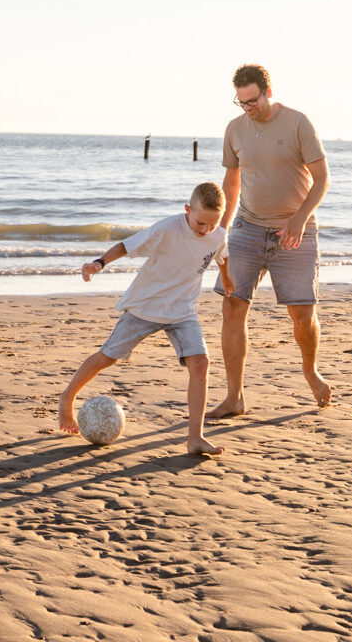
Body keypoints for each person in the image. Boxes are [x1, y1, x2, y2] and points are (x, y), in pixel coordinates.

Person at [58, 182, 230, 457]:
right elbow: (126, 246)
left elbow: (222, 255)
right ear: (187, 210)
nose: (205, 230)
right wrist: (99, 263)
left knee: (201, 363)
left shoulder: (217, 234)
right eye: (200, 223)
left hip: (183, 312)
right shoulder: (167, 229)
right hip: (145, 308)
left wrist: (228, 279)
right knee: (108, 357)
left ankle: (195, 437)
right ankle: (67, 396)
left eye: (212, 224)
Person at [210, 63, 332, 415]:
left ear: (268, 91)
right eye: (242, 102)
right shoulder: (234, 129)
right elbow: (231, 184)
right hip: (248, 229)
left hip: (295, 231)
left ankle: (310, 372)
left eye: (254, 101)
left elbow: (322, 179)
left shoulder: (297, 123)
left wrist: (299, 219)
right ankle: (234, 397)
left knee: (302, 315)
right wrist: (222, 229)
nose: (249, 108)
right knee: (232, 306)